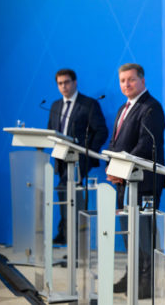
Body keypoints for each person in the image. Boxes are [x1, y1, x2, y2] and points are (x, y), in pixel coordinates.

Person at [107, 63, 165, 298]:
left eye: (131, 80)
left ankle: (146, 282)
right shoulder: (124, 107)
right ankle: (130, 275)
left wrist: (120, 169)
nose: (126, 85)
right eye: (122, 81)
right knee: (128, 234)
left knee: (143, 236)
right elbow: (115, 143)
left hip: (143, 183)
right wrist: (112, 168)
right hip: (124, 182)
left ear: (142, 80)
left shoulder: (151, 108)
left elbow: (145, 146)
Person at [47, 68, 108, 245]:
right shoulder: (55, 105)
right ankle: (66, 234)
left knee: (74, 202)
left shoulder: (89, 104)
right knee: (64, 199)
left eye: (66, 82)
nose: (63, 86)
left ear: (75, 82)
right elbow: (52, 131)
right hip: (61, 161)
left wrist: (87, 154)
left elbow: (101, 131)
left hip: (79, 162)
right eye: (60, 83)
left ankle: (76, 241)